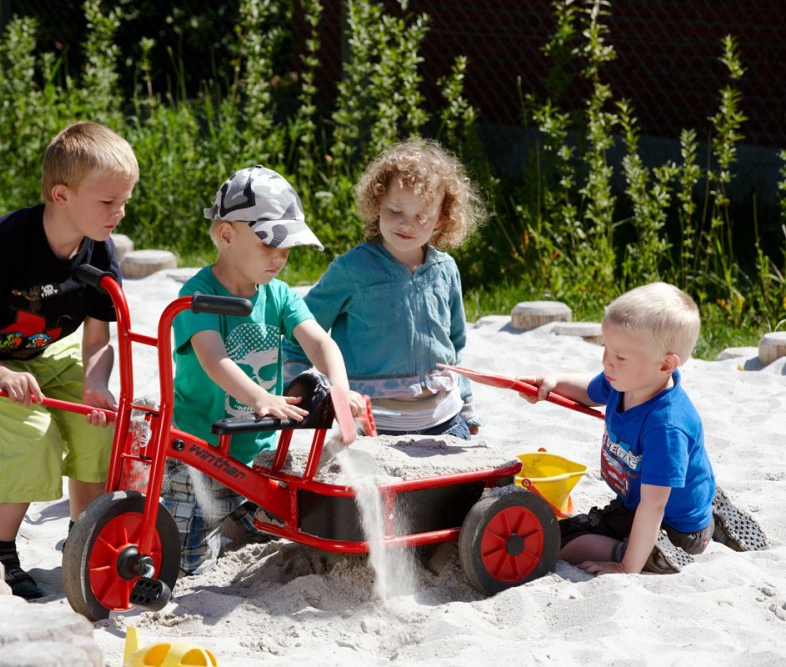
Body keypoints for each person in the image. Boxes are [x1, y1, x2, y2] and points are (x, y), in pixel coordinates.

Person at [0, 121, 138, 598]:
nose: (120, 212)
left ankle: (80, 538)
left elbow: (97, 340)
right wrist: (0, 372)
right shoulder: (7, 244)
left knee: (98, 424)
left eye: (125, 200)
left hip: (44, 353)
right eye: (108, 202)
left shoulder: (101, 254)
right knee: (34, 438)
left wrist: (96, 383)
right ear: (62, 194)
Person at [164, 165, 364, 575]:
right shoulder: (196, 294)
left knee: (283, 525)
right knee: (189, 564)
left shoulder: (279, 295)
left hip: (256, 454)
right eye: (270, 243)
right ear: (226, 235)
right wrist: (260, 398)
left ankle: (238, 522)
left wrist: (341, 393)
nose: (281, 256)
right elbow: (212, 358)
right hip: (198, 451)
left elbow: (319, 342)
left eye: (288, 247)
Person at [283, 138, 486, 438]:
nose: (408, 225)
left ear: (441, 219)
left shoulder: (445, 269)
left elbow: (455, 343)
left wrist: (467, 404)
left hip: (445, 417)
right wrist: (300, 390)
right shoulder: (351, 270)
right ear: (377, 203)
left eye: (422, 217)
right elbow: (300, 330)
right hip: (376, 424)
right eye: (396, 211)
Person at [519, 282, 716, 575]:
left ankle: (641, 554)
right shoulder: (625, 382)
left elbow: (653, 507)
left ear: (665, 364)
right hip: (638, 503)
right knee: (562, 533)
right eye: (606, 349)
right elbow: (590, 390)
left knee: (562, 541)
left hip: (675, 530)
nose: (607, 363)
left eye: (620, 357)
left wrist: (624, 567)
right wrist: (554, 383)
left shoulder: (667, 426)